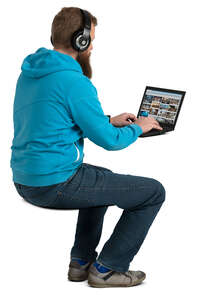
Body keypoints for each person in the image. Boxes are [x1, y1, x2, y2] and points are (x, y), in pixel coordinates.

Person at [10, 7, 166, 288]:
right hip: (54, 183)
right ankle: (108, 268)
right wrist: (138, 127)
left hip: (25, 181)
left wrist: (108, 120)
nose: (92, 45)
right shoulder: (74, 81)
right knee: (153, 192)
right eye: (90, 38)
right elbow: (110, 141)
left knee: (102, 179)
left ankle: (80, 263)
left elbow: (54, 119)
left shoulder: (32, 74)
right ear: (79, 40)